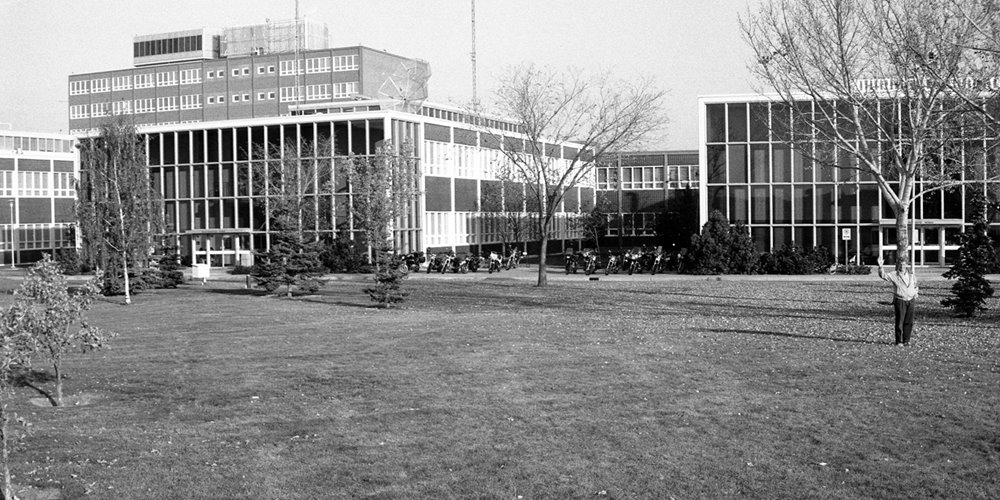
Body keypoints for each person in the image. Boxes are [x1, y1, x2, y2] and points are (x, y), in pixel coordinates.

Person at [876, 256, 919, 346]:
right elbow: (883, 276)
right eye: (901, 264)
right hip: (900, 300)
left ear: (907, 265)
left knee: (909, 322)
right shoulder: (894, 275)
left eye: (904, 264)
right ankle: (899, 341)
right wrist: (880, 267)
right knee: (900, 321)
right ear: (898, 265)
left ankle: (906, 340)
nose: (903, 266)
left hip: (911, 300)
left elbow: (915, 285)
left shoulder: (911, 275)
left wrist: (915, 293)